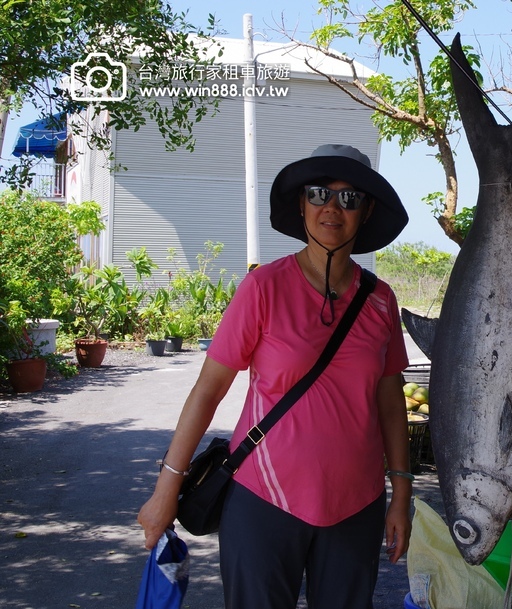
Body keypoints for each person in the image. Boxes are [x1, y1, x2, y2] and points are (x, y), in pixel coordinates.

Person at [138, 144, 412, 609]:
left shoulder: (380, 301)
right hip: (264, 497)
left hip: (356, 502)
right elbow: (208, 391)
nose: (332, 208)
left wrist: (401, 495)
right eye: (320, 193)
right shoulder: (263, 287)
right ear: (301, 205)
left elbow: (390, 400)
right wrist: (166, 490)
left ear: (365, 213)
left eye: (350, 199)